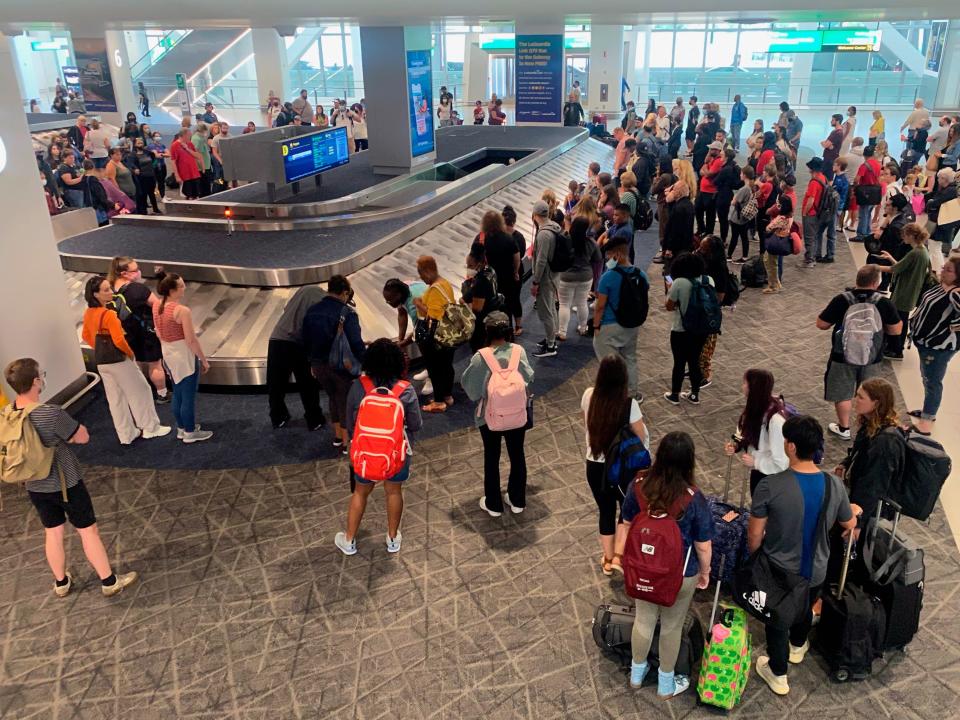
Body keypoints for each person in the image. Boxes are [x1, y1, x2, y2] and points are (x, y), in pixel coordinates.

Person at [3, 358, 139, 598]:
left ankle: (61, 582)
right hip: (66, 482)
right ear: (36, 381)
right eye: (41, 374)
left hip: (35, 484)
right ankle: (109, 581)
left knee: (52, 532)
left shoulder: (7, 414)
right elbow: (82, 437)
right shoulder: (49, 413)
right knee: (88, 531)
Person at [750, 415, 856, 696]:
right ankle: (798, 645)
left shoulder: (769, 486)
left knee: (778, 618)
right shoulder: (834, 485)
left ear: (792, 447)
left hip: (780, 571)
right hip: (817, 567)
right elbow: (848, 522)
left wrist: (754, 560)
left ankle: (778, 672)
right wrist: (854, 513)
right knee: (806, 605)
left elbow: (755, 534)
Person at [622, 431, 713, 698]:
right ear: (689, 462)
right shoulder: (692, 497)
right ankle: (665, 683)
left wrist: (628, 559)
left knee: (644, 620)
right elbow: (703, 544)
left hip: (642, 569)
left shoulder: (639, 484)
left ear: (659, 456)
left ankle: (636, 675)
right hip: (681, 574)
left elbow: (626, 523)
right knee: (672, 626)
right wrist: (705, 573)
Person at [334, 339, 422, 555]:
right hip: (396, 452)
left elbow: (350, 423)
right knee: (393, 492)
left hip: (364, 452)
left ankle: (349, 540)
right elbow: (416, 424)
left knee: (360, 493)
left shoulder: (358, 386)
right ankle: (392, 538)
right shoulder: (406, 389)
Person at [816, 264, 903, 440]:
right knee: (870, 392)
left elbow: (821, 324)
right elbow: (896, 331)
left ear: (858, 280)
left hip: (842, 356)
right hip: (872, 357)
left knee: (843, 392)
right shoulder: (884, 303)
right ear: (876, 283)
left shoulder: (842, 299)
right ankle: (868, 427)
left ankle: (844, 428)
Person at [461, 311, 534, 517]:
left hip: (488, 416)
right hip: (517, 413)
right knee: (517, 454)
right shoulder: (518, 351)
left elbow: (472, 390)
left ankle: (493, 504)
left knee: (491, 457)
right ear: (508, 331)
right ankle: (517, 500)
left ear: (487, 331)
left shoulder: (481, 357)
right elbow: (529, 377)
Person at [82, 276, 170, 445]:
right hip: (119, 361)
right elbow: (119, 340)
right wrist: (130, 354)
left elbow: (86, 335)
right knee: (141, 390)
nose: (111, 292)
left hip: (102, 362)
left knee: (116, 399)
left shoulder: (89, 314)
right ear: (96, 295)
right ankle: (150, 428)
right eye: (106, 290)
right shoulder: (109, 315)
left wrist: (99, 348)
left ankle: (126, 434)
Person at [582, 355, 649, 574]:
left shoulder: (588, 395)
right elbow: (640, 436)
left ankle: (608, 560)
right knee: (626, 509)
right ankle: (620, 556)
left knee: (605, 510)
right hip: (622, 468)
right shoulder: (629, 404)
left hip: (594, 464)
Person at [302, 275, 364, 449]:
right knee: (344, 399)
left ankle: (337, 437)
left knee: (332, 397)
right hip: (340, 365)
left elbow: (305, 338)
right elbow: (356, 342)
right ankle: (347, 442)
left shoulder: (312, 310)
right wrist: (365, 362)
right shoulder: (347, 313)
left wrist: (311, 362)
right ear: (345, 292)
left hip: (318, 365)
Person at [152, 273, 213, 443]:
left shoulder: (157, 305)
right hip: (183, 355)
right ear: (172, 290)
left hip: (168, 353)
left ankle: (181, 427)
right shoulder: (182, 311)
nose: (184, 288)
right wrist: (203, 359)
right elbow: (191, 340)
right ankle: (190, 432)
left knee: (177, 392)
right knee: (188, 395)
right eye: (181, 286)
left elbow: (158, 331)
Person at [834, 378, 904, 524]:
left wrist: (858, 522)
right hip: (861, 500)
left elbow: (873, 485)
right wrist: (845, 463)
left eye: (861, 397)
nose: (855, 400)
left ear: (876, 403)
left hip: (870, 511)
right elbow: (859, 453)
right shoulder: (870, 425)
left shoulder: (885, 441)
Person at [907, 255, 960, 434]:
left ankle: (927, 420)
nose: (943, 271)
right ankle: (928, 411)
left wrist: (950, 328)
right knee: (927, 377)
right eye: (945, 267)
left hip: (938, 347)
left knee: (932, 382)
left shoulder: (955, 293)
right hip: (926, 343)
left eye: (949, 270)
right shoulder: (942, 286)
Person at [106, 257, 168, 403]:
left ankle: (140, 393)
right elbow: (158, 306)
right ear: (124, 273)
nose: (139, 272)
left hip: (125, 333)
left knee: (136, 363)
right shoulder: (137, 289)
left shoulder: (109, 288)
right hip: (146, 333)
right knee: (155, 364)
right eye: (135, 270)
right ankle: (162, 394)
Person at [592, 233, 646, 400]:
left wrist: (595, 326)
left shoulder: (608, 277)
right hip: (633, 324)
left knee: (608, 362)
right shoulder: (640, 274)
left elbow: (600, 306)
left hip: (610, 325)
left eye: (609, 255)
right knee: (630, 358)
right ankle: (632, 394)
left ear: (617, 254)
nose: (607, 258)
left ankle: (612, 396)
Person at [267, 284, 327, 430]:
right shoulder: (324, 300)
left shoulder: (306, 289)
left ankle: (278, 417)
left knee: (276, 383)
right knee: (307, 383)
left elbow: (286, 308)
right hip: (298, 342)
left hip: (277, 337)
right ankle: (314, 420)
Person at [725, 369, 790, 495]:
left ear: (753, 388)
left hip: (771, 479)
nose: (742, 386)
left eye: (745, 383)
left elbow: (781, 462)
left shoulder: (775, 420)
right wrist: (736, 445)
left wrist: (756, 462)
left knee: (762, 511)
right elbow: (747, 433)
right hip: (759, 471)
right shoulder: (756, 407)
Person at [877, 223, 931, 359]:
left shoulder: (915, 253)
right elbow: (902, 266)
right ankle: (895, 347)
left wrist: (875, 267)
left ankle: (896, 349)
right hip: (911, 290)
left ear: (912, 235)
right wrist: (890, 258)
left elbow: (895, 269)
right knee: (901, 319)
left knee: (899, 320)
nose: (903, 238)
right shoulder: (922, 251)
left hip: (904, 291)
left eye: (905, 235)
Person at [663, 252, 711, 405]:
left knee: (679, 362)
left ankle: (675, 395)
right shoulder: (708, 279)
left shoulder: (679, 282)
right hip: (701, 329)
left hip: (680, 329)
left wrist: (671, 289)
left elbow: (669, 306)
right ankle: (694, 394)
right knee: (694, 360)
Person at [413, 256, 457, 412]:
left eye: (421, 273)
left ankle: (438, 402)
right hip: (450, 335)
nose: (421, 277)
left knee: (435, 368)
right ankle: (447, 396)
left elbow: (434, 316)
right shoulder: (445, 284)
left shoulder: (434, 289)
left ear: (428, 271)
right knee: (446, 366)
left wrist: (419, 304)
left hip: (437, 337)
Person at [555, 217, 600, 340]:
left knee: (564, 304)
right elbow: (597, 259)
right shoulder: (591, 242)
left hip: (566, 277)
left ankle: (562, 332)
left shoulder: (565, 239)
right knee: (582, 303)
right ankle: (583, 327)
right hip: (585, 277)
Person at [530, 201, 562, 358]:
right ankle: (552, 337)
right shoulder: (555, 226)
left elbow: (541, 260)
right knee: (551, 307)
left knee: (546, 312)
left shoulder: (543, 234)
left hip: (545, 278)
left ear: (535, 215)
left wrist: (535, 281)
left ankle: (550, 346)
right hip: (555, 275)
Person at [799, 157, 829, 268]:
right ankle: (814, 256)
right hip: (819, 212)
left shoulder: (814, 182)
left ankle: (809, 259)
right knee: (814, 235)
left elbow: (811, 199)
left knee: (808, 237)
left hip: (811, 213)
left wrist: (805, 212)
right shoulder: (823, 178)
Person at [501, 205, 526, 335]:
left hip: (507, 272)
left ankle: (508, 325)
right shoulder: (519, 237)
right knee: (515, 298)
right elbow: (520, 255)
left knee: (506, 299)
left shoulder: (500, 237)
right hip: (516, 272)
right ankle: (518, 325)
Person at [925, 168, 959, 258]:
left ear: (945, 179)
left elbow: (936, 202)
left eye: (939, 178)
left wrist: (930, 202)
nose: (938, 180)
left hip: (942, 220)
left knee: (935, 246)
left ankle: (938, 268)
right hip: (943, 220)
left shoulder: (949, 190)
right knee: (935, 245)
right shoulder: (950, 189)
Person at [727, 165, 756, 261]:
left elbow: (734, 202)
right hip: (744, 217)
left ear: (744, 175)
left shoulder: (744, 189)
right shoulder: (751, 188)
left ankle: (729, 256)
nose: (740, 175)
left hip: (738, 217)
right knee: (744, 237)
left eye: (741, 173)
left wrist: (734, 198)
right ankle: (744, 257)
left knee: (734, 237)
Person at [695, 142, 724, 235]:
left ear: (717, 150)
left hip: (711, 192)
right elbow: (701, 169)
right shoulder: (711, 159)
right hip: (703, 190)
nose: (710, 150)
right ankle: (701, 228)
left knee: (710, 215)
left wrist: (705, 170)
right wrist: (705, 168)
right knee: (697, 209)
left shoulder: (718, 161)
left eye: (712, 149)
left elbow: (707, 174)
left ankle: (708, 233)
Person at [853, 145, 882, 237]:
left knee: (863, 214)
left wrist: (855, 188)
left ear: (864, 155)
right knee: (868, 213)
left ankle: (861, 234)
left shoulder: (864, 165)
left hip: (865, 192)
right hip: (875, 192)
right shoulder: (878, 164)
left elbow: (857, 179)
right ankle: (867, 231)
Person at [129, 138, 161, 215]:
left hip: (151, 176)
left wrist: (153, 167)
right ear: (135, 144)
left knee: (152, 193)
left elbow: (154, 159)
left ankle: (155, 209)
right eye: (139, 143)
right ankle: (143, 210)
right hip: (141, 178)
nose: (141, 144)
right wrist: (135, 170)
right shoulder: (133, 155)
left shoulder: (148, 152)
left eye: (142, 143)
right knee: (143, 194)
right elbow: (131, 164)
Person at [170, 128, 202, 200]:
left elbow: (198, 156)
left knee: (196, 195)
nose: (190, 137)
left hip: (194, 173)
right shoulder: (175, 145)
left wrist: (187, 149)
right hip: (185, 175)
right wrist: (177, 176)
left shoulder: (190, 144)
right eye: (189, 135)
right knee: (188, 196)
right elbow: (173, 161)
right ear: (184, 135)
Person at [821, 114, 845, 181]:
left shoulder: (837, 133)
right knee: (826, 176)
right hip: (830, 157)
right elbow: (827, 144)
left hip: (830, 158)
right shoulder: (836, 132)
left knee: (826, 177)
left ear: (837, 121)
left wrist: (826, 144)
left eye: (832, 120)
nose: (831, 121)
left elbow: (825, 144)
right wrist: (827, 144)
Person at [191, 122, 212, 197]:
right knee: (204, 187)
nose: (207, 133)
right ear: (202, 130)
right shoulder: (196, 139)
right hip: (202, 167)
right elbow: (196, 154)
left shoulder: (201, 138)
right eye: (206, 131)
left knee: (207, 186)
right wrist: (202, 168)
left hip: (206, 165)